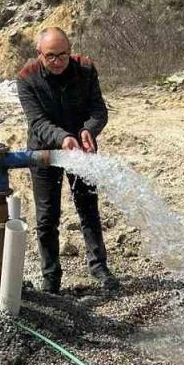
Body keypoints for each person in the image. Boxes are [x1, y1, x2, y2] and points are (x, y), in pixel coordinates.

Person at [16, 26, 119, 294]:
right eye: (51, 56)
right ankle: (51, 278)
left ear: (70, 52)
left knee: (88, 208)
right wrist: (62, 138)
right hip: (45, 152)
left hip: (80, 150)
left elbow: (98, 109)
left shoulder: (85, 68)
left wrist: (89, 130)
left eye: (63, 55)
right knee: (47, 217)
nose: (58, 62)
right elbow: (37, 121)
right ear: (39, 54)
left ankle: (99, 267)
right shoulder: (26, 78)